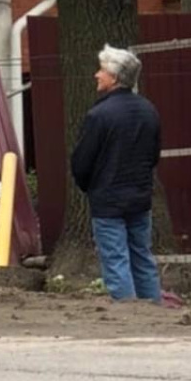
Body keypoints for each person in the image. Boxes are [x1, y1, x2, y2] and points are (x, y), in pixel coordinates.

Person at [71, 44, 163, 302]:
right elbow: (154, 155)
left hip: (107, 199)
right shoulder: (149, 110)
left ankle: (128, 314)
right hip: (140, 195)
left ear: (113, 77)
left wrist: (89, 186)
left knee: (115, 260)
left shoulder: (99, 115)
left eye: (101, 70)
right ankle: (154, 310)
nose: (96, 75)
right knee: (142, 257)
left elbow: (81, 162)